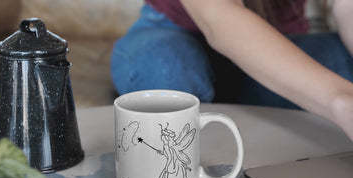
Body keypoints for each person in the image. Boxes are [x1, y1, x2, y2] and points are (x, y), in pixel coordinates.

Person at [111, 0, 353, 141]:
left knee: (343, 62)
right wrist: (342, 101)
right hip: (175, 33)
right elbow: (219, 18)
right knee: (167, 72)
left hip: (278, 47)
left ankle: (226, 106)